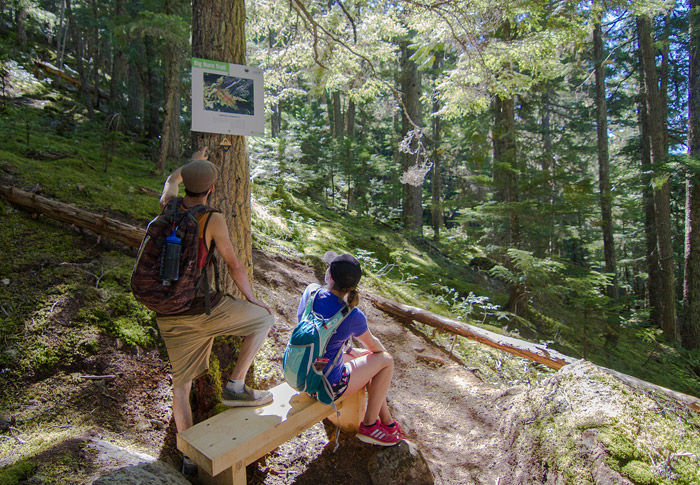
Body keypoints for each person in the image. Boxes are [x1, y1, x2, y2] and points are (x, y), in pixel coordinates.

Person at [156, 147, 275, 473]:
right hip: (204, 310)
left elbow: (170, 180)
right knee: (264, 319)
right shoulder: (213, 218)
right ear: (211, 190)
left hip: (169, 313)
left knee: (181, 387)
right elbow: (234, 264)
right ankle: (236, 386)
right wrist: (251, 298)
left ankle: (188, 458)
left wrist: (193, 162)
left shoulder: (168, 206)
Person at [296, 251, 405, 446]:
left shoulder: (311, 292)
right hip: (326, 388)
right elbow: (374, 347)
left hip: (301, 376)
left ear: (328, 275)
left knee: (368, 360)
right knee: (385, 361)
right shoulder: (352, 315)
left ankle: (387, 422)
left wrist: (348, 351)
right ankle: (370, 425)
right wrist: (373, 352)